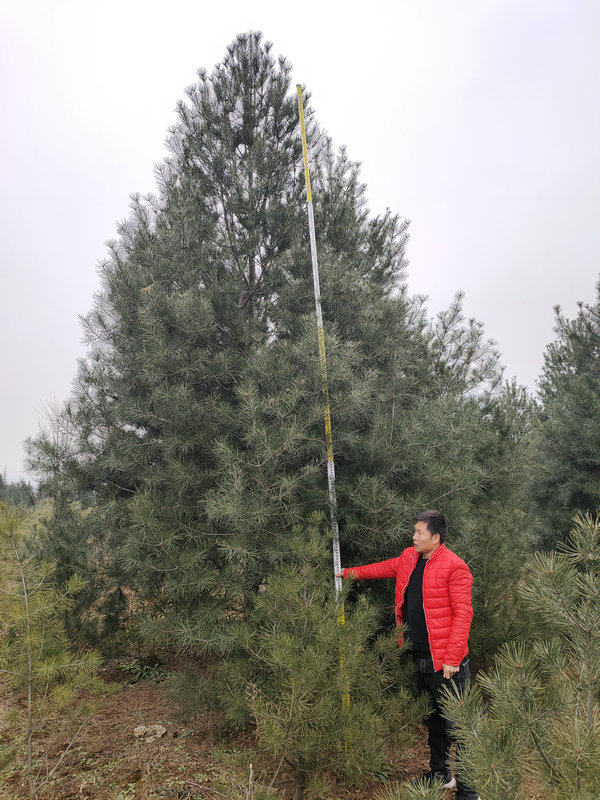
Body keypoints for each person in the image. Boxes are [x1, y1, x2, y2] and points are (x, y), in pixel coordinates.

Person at [337, 510, 480, 800]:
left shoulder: (455, 567)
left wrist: (453, 657)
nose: (413, 537)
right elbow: (384, 568)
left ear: (436, 537)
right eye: (414, 531)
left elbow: (464, 614)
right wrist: (349, 573)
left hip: (447, 662)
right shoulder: (409, 557)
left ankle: (468, 791)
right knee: (433, 719)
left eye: (419, 533)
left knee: (458, 725)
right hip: (419, 655)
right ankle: (440, 774)